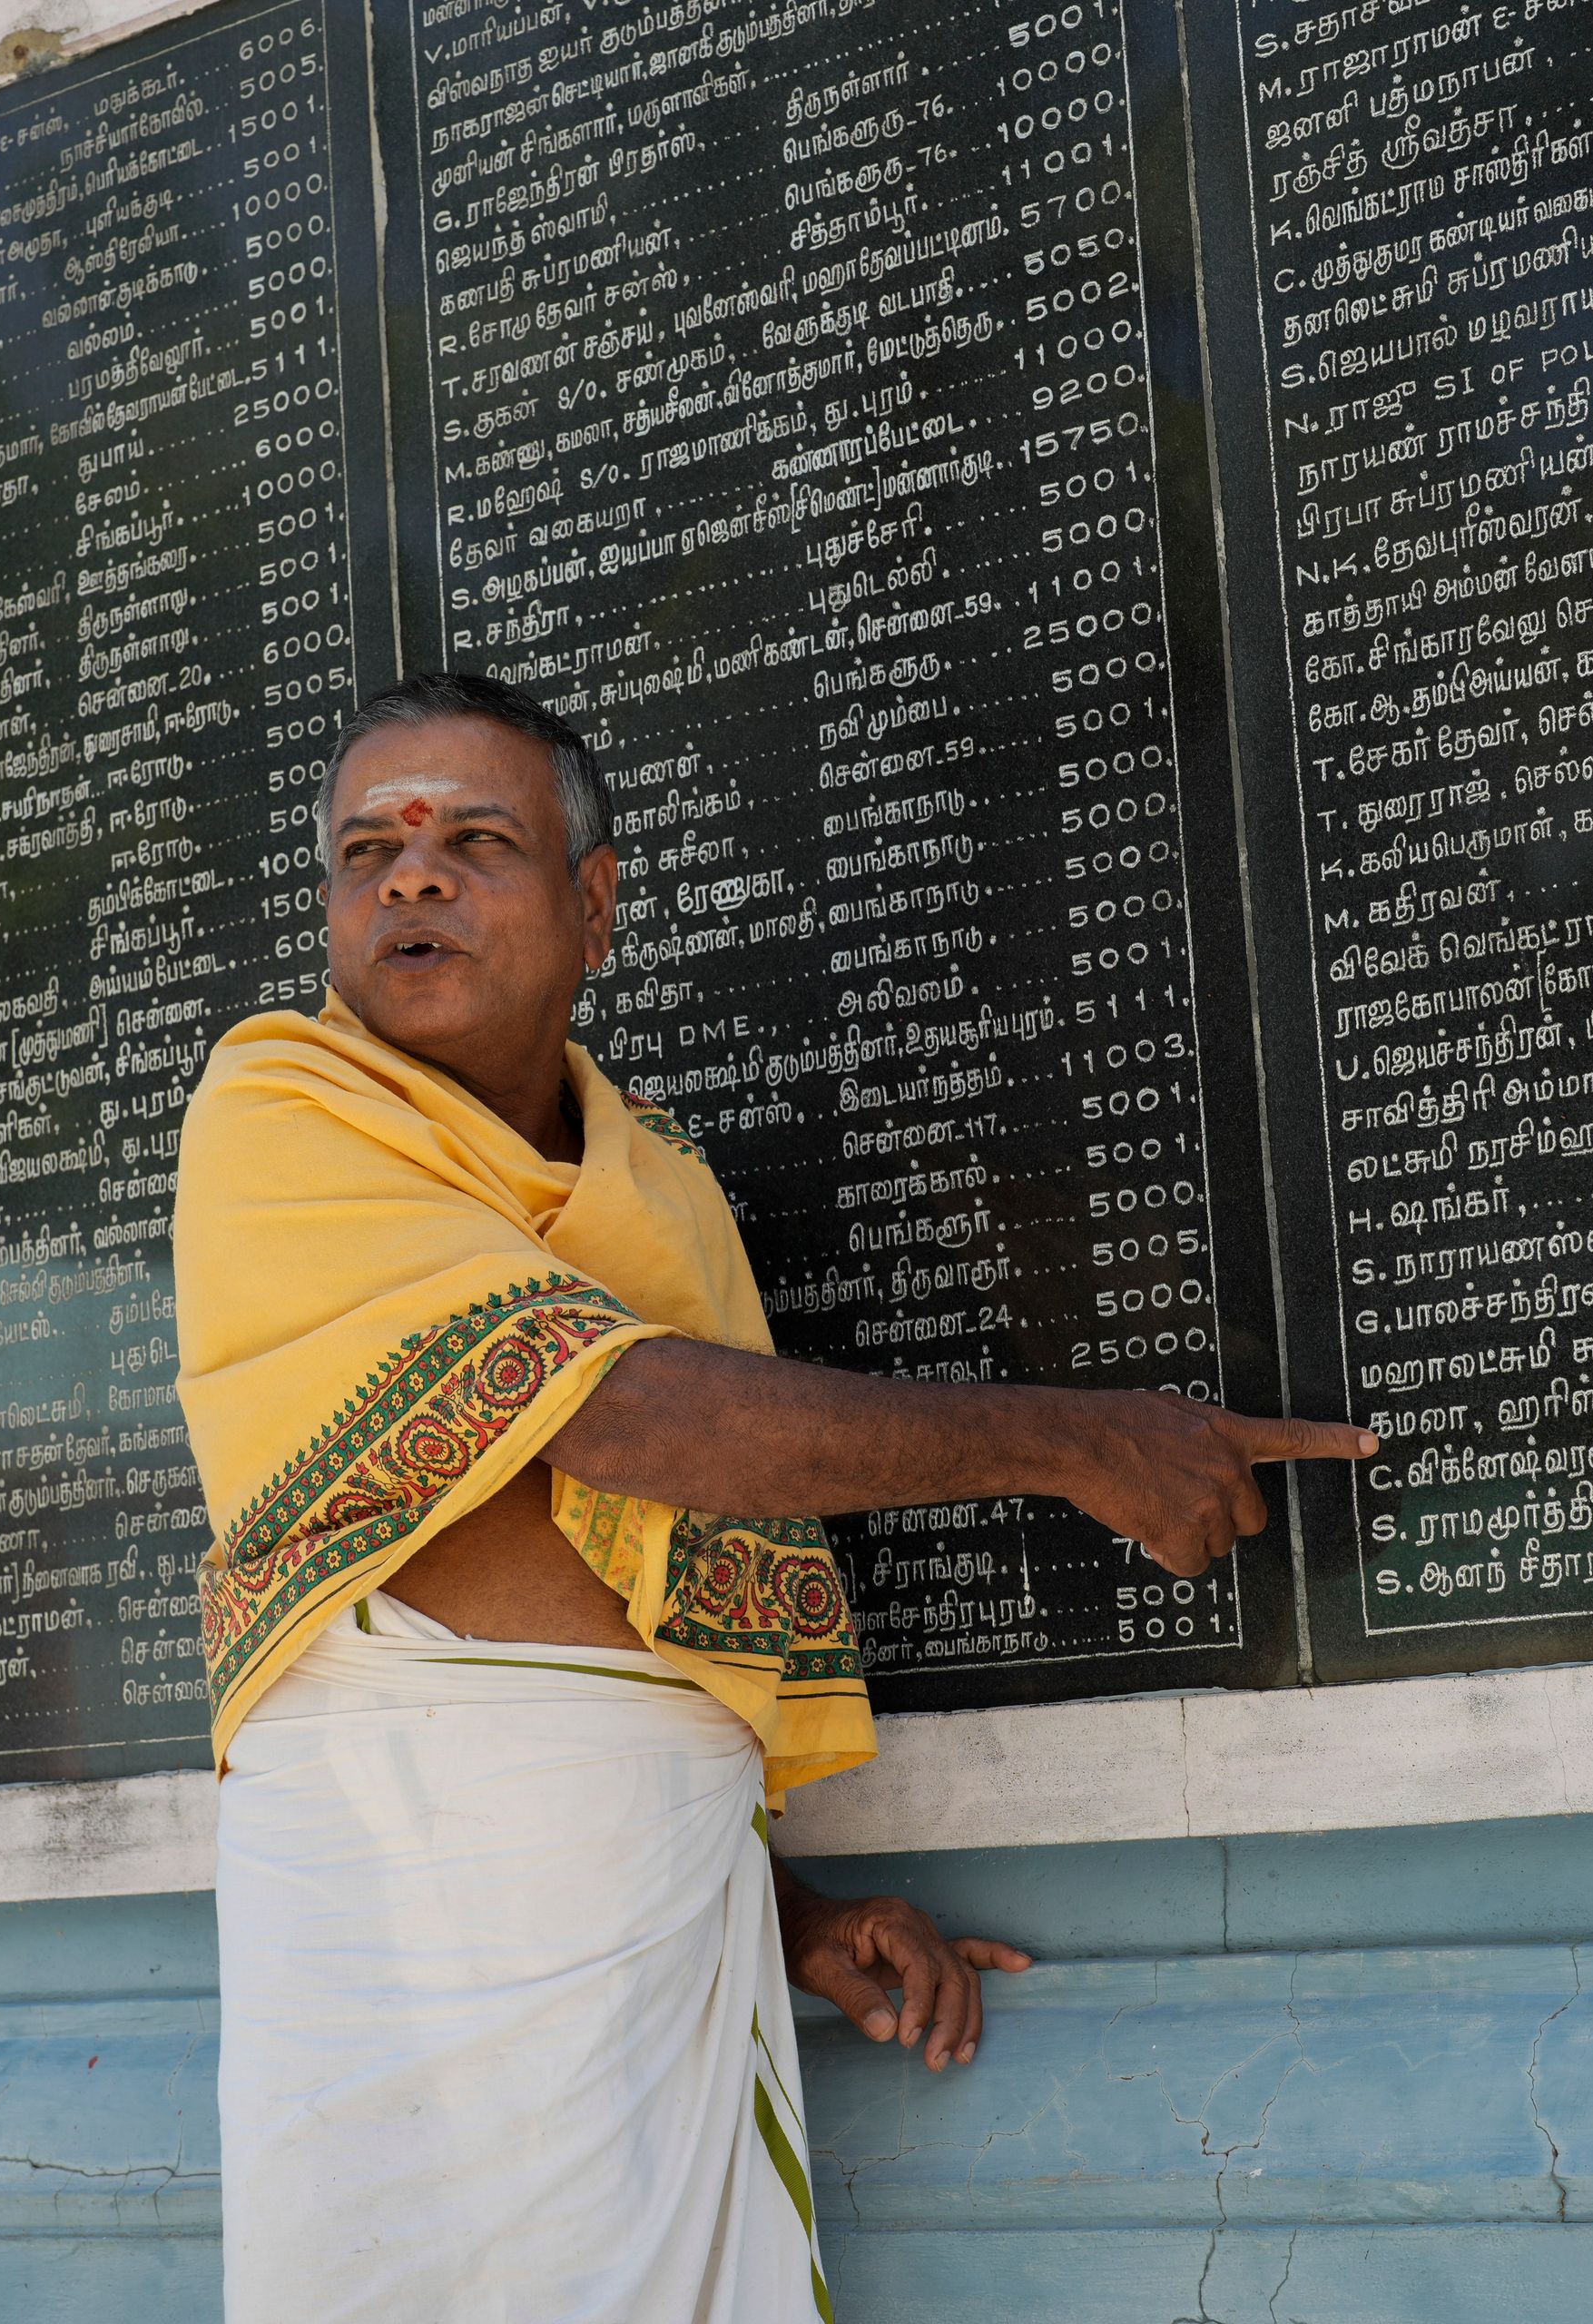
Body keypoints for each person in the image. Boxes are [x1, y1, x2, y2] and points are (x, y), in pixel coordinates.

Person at [174, 672, 1372, 2322]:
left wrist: (791, 1911)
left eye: (474, 838)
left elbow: (656, 1591)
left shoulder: (656, 1182)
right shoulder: (277, 1106)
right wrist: (1078, 1440)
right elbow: (617, 1417)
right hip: (403, 1891)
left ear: (595, 903)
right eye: (369, 846)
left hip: (667, 1895)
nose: (413, 875)